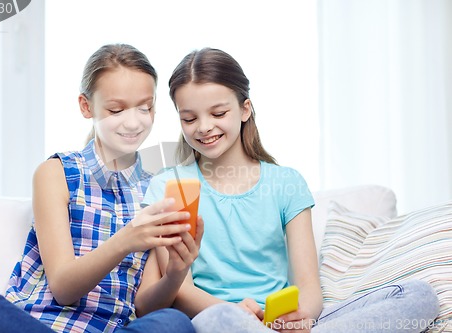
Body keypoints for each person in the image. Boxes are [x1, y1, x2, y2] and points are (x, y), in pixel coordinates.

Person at [139, 47, 440, 332]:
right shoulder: (169, 186)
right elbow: (181, 289)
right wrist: (239, 313)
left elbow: (310, 291)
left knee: (416, 295)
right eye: (189, 118)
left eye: (218, 114)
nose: (204, 127)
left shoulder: (286, 183)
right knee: (220, 319)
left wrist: (301, 317)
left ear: (245, 110)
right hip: (217, 319)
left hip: (279, 322)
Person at [0, 43, 201, 333]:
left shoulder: (156, 189)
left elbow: (145, 308)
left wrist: (175, 272)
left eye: (145, 107)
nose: (133, 122)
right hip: (36, 324)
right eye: (116, 109)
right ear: (86, 106)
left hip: (108, 328)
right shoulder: (57, 173)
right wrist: (127, 239)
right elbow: (63, 288)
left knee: (173, 323)